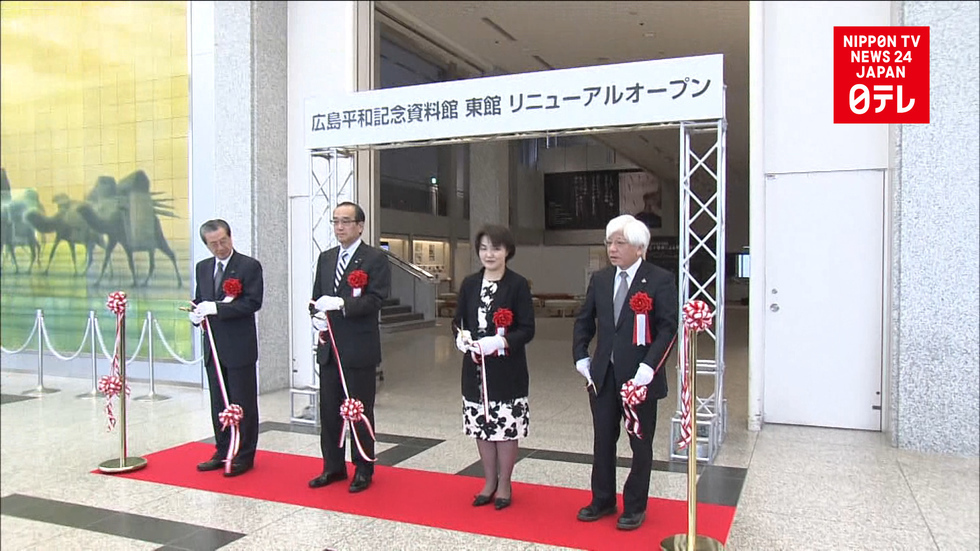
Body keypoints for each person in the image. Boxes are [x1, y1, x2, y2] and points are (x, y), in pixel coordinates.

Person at [572, 214, 678, 530]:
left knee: (640, 443)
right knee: (603, 439)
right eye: (609, 242)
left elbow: (668, 327)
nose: (613, 249)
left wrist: (649, 367)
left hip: (640, 379)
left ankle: (634, 506)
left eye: (620, 242)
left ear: (640, 247)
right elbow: (584, 319)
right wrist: (580, 355)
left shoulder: (660, 279)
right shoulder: (602, 280)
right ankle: (602, 499)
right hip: (604, 376)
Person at [308, 202, 391, 494]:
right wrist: (317, 317)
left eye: (345, 221)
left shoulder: (374, 258)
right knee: (329, 410)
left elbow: (376, 299)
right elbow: (316, 298)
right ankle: (332, 466)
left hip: (358, 348)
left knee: (358, 410)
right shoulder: (326, 258)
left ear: (360, 225)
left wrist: (343, 304)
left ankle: (363, 467)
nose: (339, 227)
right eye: (335, 221)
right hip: (330, 348)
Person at [453, 225, 535, 511]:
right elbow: (458, 320)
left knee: (505, 428)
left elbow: (527, 329)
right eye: (484, 247)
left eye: (496, 248)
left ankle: (504, 484)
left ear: (507, 251)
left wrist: (499, 342)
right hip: (475, 369)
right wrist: (462, 339)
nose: (489, 254)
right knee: (482, 425)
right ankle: (488, 481)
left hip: (506, 369)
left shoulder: (518, 284)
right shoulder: (469, 283)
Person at [189, 219, 264, 477]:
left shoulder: (248, 266)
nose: (220, 247)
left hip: (239, 345)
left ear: (231, 237)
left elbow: (253, 302)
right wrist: (196, 312)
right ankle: (222, 450)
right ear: (206, 245)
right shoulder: (203, 267)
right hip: (213, 346)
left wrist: (218, 308)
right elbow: (199, 298)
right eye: (213, 244)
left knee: (243, 401)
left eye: (223, 241)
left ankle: (244, 454)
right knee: (219, 402)